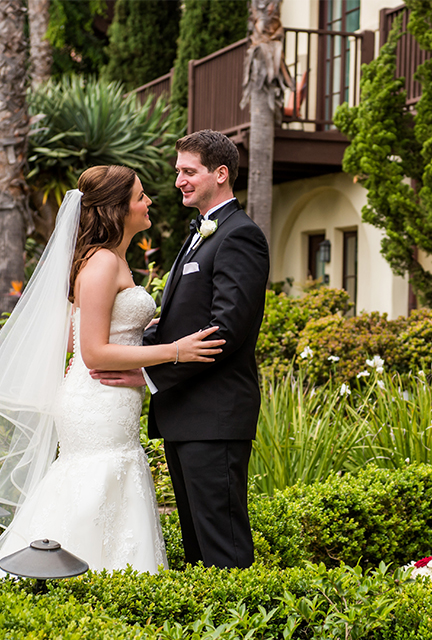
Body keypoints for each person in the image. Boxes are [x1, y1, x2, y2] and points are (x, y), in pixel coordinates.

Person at [0, 165, 225, 576]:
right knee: (93, 485)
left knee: (106, 484)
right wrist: (175, 351)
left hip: (107, 398)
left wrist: (140, 330)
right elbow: (93, 353)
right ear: (118, 209)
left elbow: (75, 336)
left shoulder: (109, 259)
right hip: (98, 400)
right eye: (141, 197)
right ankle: (62, 580)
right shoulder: (102, 263)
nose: (149, 202)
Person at [92, 130, 270, 569]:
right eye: (178, 172)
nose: (178, 182)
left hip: (215, 416)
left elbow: (224, 331)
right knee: (198, 551)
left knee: (222, 548)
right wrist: (140, 344)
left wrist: (149, 371)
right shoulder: (201, 235)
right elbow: (184, 323)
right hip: (187, 415)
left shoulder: (240, 236)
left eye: (189, 172)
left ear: (221, 174)